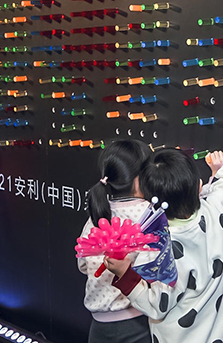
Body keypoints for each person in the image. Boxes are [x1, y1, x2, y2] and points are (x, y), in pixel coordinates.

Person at [104, 101, 223, 343]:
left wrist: (125, 273)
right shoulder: (216, 208)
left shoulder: (158, 249)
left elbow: (156, 305)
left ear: (149, 199)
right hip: (222, 329)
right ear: (199, 186)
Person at [77, 139, 156, 343]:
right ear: (139, 178)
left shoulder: (98, 213)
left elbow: (83, 265)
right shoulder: (148, 214)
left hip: (99, 325)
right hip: (136, 322)